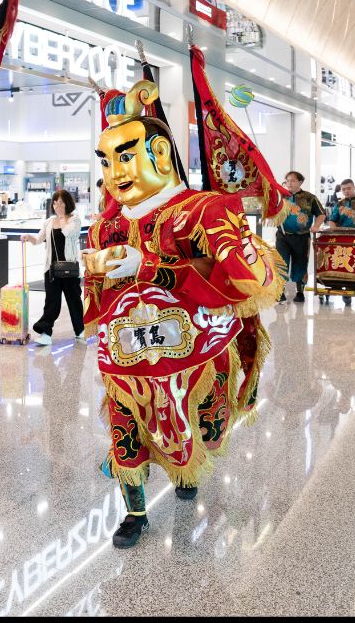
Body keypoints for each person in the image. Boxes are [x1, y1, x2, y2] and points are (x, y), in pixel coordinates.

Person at [83, 65, 283, 549]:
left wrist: (149, 266)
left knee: (200, 429)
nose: (116, 174)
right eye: (106, 161)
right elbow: (97, 306)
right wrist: (97, 273)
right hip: (129, 357)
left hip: (197, 352)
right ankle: (133, 511)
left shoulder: (205, 210)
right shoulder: (104, 227)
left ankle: (187, 475)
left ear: (159, 152)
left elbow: (246, 278)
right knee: (125, 429)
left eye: (125, 156)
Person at [24, 188, 84, 345]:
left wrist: (63, 217)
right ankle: (45, 332)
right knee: (52, 302)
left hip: (69, 268)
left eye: (61, 202)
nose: (58, 205)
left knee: (74, 300)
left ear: (67, 203)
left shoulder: (74, 220)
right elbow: (39, 239)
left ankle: (80, 330)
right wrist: (29, 238)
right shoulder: (49, 222)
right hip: (51, 270)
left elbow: (69, 233)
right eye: (55, 202)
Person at [275, 170, 324, 303]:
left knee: (301, 263)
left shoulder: (310, 198)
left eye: (293, 180)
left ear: (300, 182)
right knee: (281, 263)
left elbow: (321, 214)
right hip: (283, 236)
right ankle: (280, 291)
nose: (289, 183)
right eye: (287, 181)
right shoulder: (281, 196)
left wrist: (316, 226)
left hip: (302, 236)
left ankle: (300, 291)